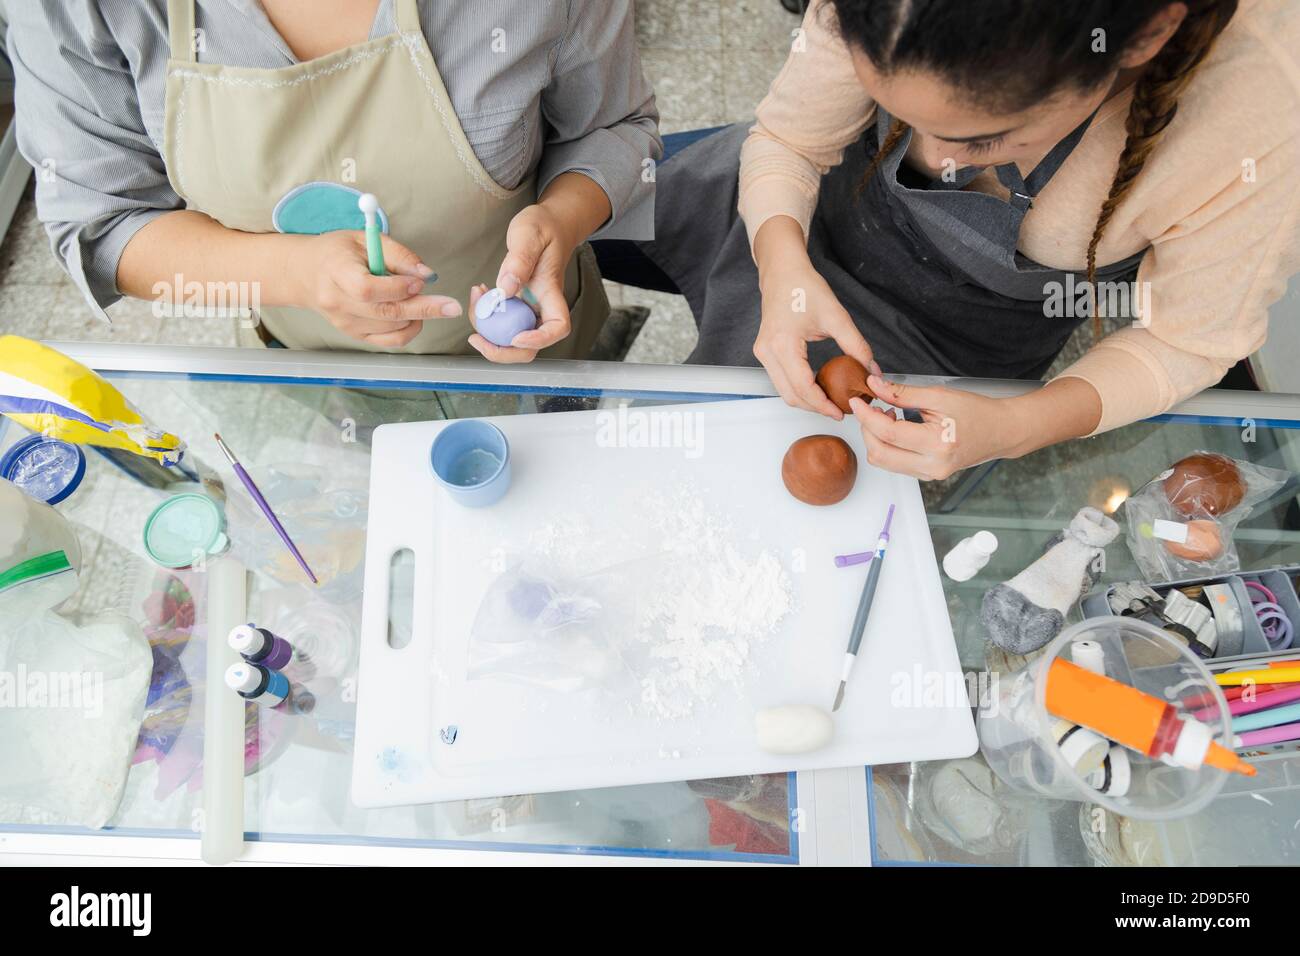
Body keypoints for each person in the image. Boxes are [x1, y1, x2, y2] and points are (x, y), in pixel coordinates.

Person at [600, 0, 1300, 480]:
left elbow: (1185, 341)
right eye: (894, 111)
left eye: (985, 139)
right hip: (805, 207)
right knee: (583, 218)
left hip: (955, 332)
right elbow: (789, 138)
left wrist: (1014, 427)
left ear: (1146, 37)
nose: (938, 160)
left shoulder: (1262, 114)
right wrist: (781, 257)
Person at [9, 0, 661, 360]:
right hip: (306, 363)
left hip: (541, 356)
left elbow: (620, 130)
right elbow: (102, 221)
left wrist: (563, 217)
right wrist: (296, 274)